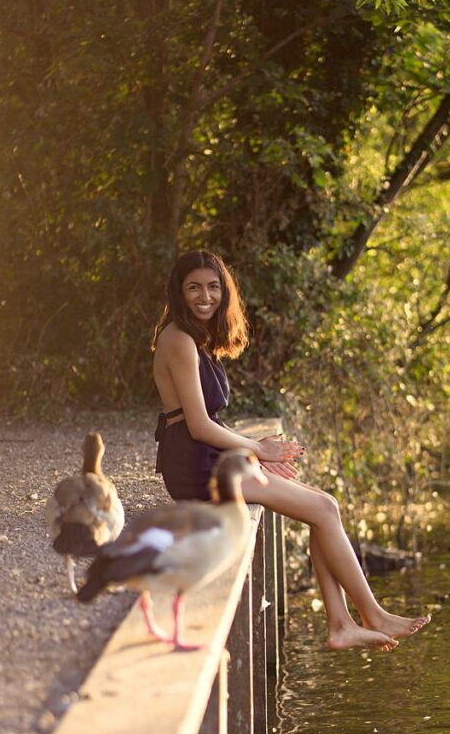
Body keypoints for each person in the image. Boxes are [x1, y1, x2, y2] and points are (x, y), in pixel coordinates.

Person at [152, 248, 430, 651]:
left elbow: (205, 425)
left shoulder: (196, 339)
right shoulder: (178, 340)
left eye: (213, 287)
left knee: (322, 504)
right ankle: (369, 615)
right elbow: (198, 425)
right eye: (194, 287)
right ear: (178, 292)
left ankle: (342, 623)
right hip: (195, 466)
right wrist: (257, 450)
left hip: (205, 457)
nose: (205, 296)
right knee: (324, 509)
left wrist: (250, 457)